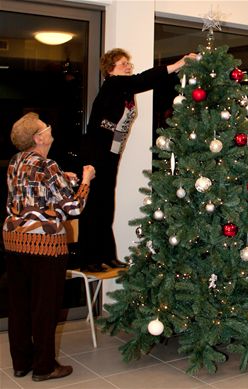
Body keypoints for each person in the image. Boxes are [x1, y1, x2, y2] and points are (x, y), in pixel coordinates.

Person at [79, 48, 197, 272]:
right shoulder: (114, 85)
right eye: (123, 63)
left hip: (110, 154)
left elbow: (147, 82)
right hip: (94, 155)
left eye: (128, 63)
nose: (128, 66)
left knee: (105, 206)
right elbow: (145, 79)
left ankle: (106, 255)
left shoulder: (123, 90)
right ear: (110, 69)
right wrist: (179, 63)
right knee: (94, 206)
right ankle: (88, 259)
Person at [2, 112, 95, 381]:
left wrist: (63, 178)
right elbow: (74, 207)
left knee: (19, 304)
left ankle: (21, 362)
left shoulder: (16, 161)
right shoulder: (47, 165)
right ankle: (44, 367)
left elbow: (34, 190)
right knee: (44, 306)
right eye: (46, 127)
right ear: (38, 138)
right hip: (43, 245)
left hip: (13, 240)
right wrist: (86, 178)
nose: (50, 129)